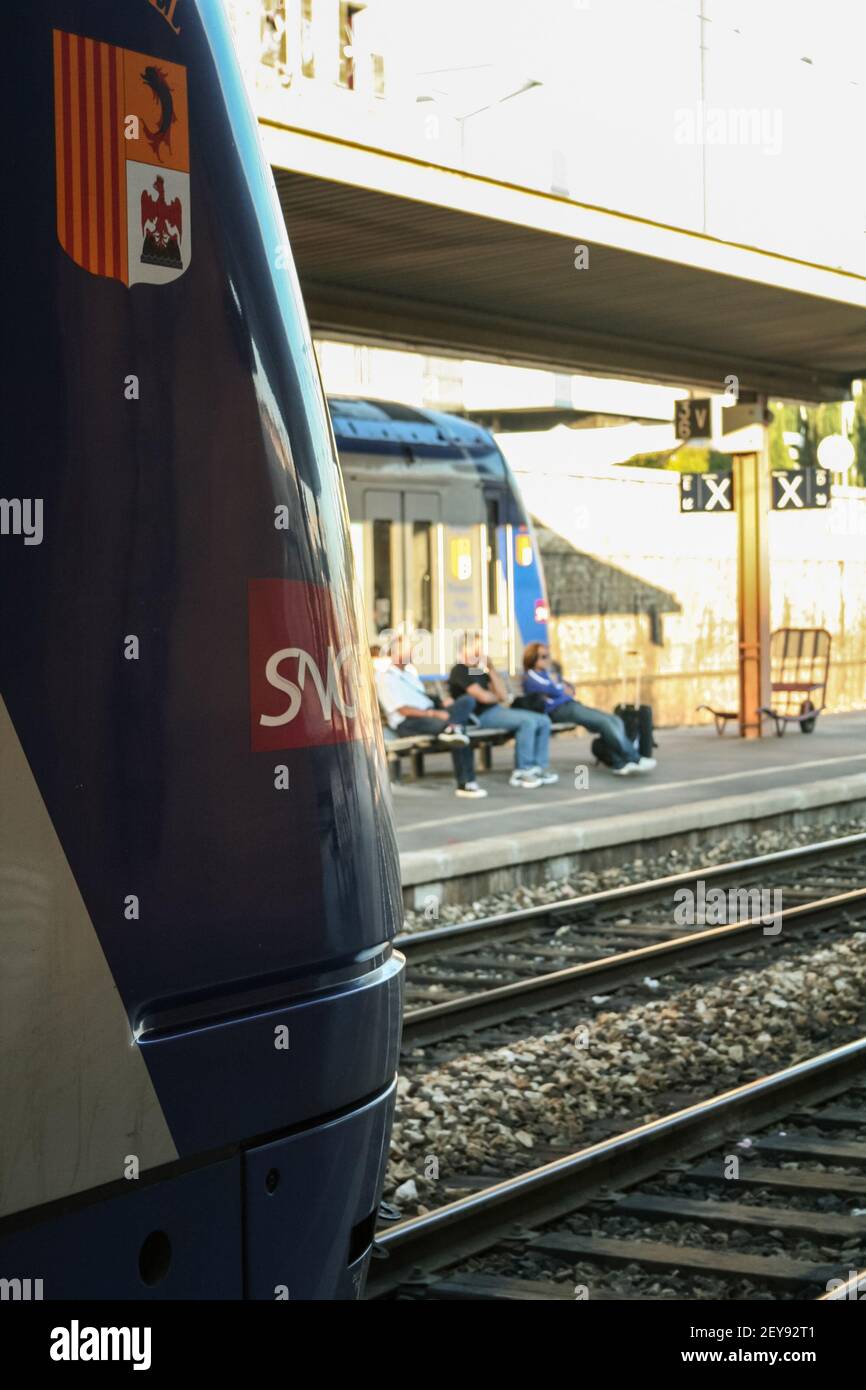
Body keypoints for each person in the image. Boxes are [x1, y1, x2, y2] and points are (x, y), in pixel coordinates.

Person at [375, 635, 487, 798]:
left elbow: (423, 699)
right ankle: (466, 783)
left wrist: (442, 704)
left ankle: (452, 728)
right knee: (460, 731)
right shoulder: (385, 677)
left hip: (431, 714)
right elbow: (402, 710)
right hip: (409, 722)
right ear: (396, 652)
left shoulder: (409, 674)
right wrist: (434, 713)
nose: (413, 653)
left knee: (466, 701)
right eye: (409, 649)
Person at [522, 642, 656, 776]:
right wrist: (559, 686)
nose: (548, 660)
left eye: (548, 656)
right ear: (533, 658)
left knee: (613, 719)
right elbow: (555, 689)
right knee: (605, 723)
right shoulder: (531, 675)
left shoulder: (548, 673)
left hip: (571, 705)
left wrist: (560, 686)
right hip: (558, 710)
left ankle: (620, 763)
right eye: (543, 657)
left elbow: (570, 688)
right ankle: (634, 758)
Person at [448, 633, 556, 789]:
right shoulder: (459, 670)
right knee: (528, 722)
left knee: (544, 720)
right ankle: (522, 770)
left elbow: (503, 695)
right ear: (466, 649)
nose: (482, 651)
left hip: (496, 711)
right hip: (480, 717)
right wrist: (496, 697)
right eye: (478, 647)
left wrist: (491, 669)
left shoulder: (476, 671)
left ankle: (538, 767)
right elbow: (483, 697)